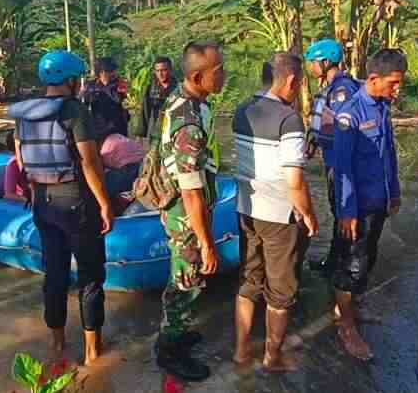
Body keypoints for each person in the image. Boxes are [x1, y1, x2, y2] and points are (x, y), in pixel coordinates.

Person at [7, 50, 116, 366]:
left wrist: (36, 192)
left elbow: (21, 158)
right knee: (91, 275)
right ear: (71, 80)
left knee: (53, 274)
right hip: (76, 202)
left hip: (43, 201)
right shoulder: (74, 111)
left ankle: (57, 344)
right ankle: (93, 352)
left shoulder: (23, 114)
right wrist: (105, 204)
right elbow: (90, 161)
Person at [231, 52, 319, 371]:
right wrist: (308, 214)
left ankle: (241, 351)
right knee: (280, 292)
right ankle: (272, 357)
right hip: (279, 216)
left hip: (246, 209)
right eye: (299, 85)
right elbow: (294, 180)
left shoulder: (242, 110)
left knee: (248, 280)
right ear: (291, 80)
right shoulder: (289, 118)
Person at [153, 40, 226, 382]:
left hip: (186, 209)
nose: (224, 75)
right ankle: (169, 351)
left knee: (186, 277)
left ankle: (178, 334)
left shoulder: (189, 101)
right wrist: (207, 241)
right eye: (218, 71)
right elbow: (191, 191)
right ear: (198, 76)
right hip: (185, 214)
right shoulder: (188, 121)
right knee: (186, 280)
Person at [328, 48, 407, 361]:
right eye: (393, 83)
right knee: (352, 264)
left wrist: (395, 191)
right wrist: (347, 212)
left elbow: (388, 154)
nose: (397, 89)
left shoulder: (383, 106)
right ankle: (345, 326)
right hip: (357, 204)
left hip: (379, 199)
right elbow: (343, 167)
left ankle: (352, 307)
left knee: (368, 257)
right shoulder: (350, 113)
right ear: (373, 79)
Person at [302, 38, 361, 274]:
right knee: (337, 207)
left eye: (313, 63)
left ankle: (344, 263)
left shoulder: (342, 90)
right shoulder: (329, 86)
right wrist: (313, 140)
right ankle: (337, 258)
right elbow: (322, 121)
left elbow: (342, 127)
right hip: (330, 156)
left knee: (343, 207)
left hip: (340, 159)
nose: (311, 67)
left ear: (326, 62)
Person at [82, 57, 130, 137]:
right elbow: (84, 104)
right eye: (110, 71)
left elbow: (122, 100)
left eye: (114, 70)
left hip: (118, 129)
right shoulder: (91, 86)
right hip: (99, 130)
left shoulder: (120, 83)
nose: (113, 73)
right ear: (100, 72)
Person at [138, 56, 178, 138]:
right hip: (156, 131)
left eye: (164, 70)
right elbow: (145, 112)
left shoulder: (179, 89)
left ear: (170, 70)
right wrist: (141, 134)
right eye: (158, 71)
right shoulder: (150, 89)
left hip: (174, 131)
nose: (160, 74)